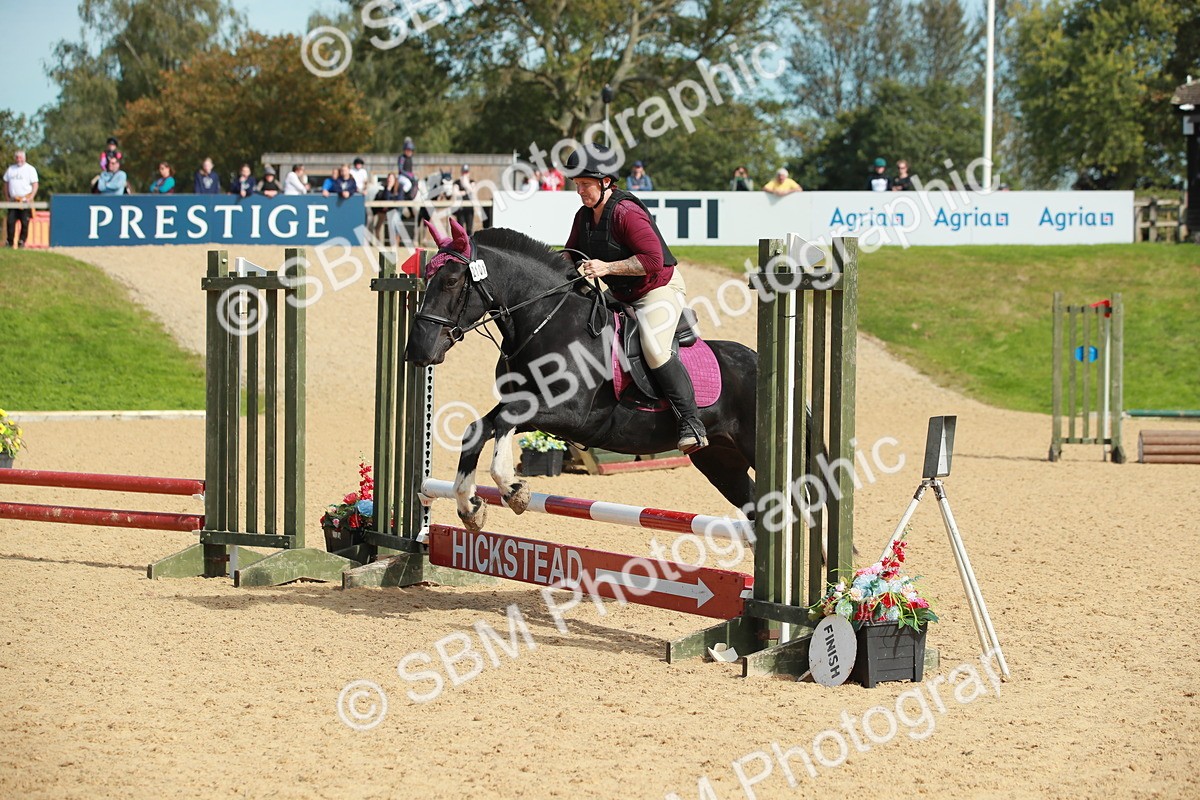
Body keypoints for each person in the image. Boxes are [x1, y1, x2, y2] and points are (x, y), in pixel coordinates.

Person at [563, 145, 707, 453]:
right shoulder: (584, 215)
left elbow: (654, 260)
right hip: (620, 293)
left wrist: (606, 267)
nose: (580, 190)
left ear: (605, 182)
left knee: (654, 349)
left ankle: (692, 422)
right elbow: (570, 252)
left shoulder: (626, 212)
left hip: (657, 290)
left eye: (585, 184)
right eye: (577, 184)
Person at [3, 150, 38, 248]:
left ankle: (21, 241)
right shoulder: (11, 169)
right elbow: (6, 183)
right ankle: (9, 242)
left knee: (24, 222)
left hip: (24, 200)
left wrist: (31, 197)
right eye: (17, 157)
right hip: (13, 200)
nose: (19, 159)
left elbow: (35, 184)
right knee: (10, 221)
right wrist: (7, 197)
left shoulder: (30, 169)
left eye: (21, 157)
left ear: (24, 158)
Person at [452, 164, 478, 232]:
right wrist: (467, 191)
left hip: (469, 208)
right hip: (460, 209)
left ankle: (469, 243)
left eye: (466, 172)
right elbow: (455, 193)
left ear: (469, 173)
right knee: (460, 229)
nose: (465, 174)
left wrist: (465, 184)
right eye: (463, 172)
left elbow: (473, 192)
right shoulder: (457, 182)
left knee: (469, 229)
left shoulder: (472, 182)